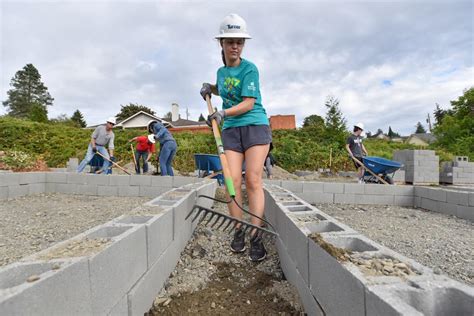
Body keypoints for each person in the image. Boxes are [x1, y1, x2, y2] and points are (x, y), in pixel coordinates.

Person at [200, 13, 272, 262]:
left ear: (243, 44)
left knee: (252, 179)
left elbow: (249, 103)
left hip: (254, 126)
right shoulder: (221, 71)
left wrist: (222, 112)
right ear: (221, 43)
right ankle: (238, 229)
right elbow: (226, 87)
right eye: (230, 41)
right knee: (230, 180)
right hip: (230, 129)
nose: (235, 46)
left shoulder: (250, 69)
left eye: (239, 42)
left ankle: (256, 234)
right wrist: (211, 88)